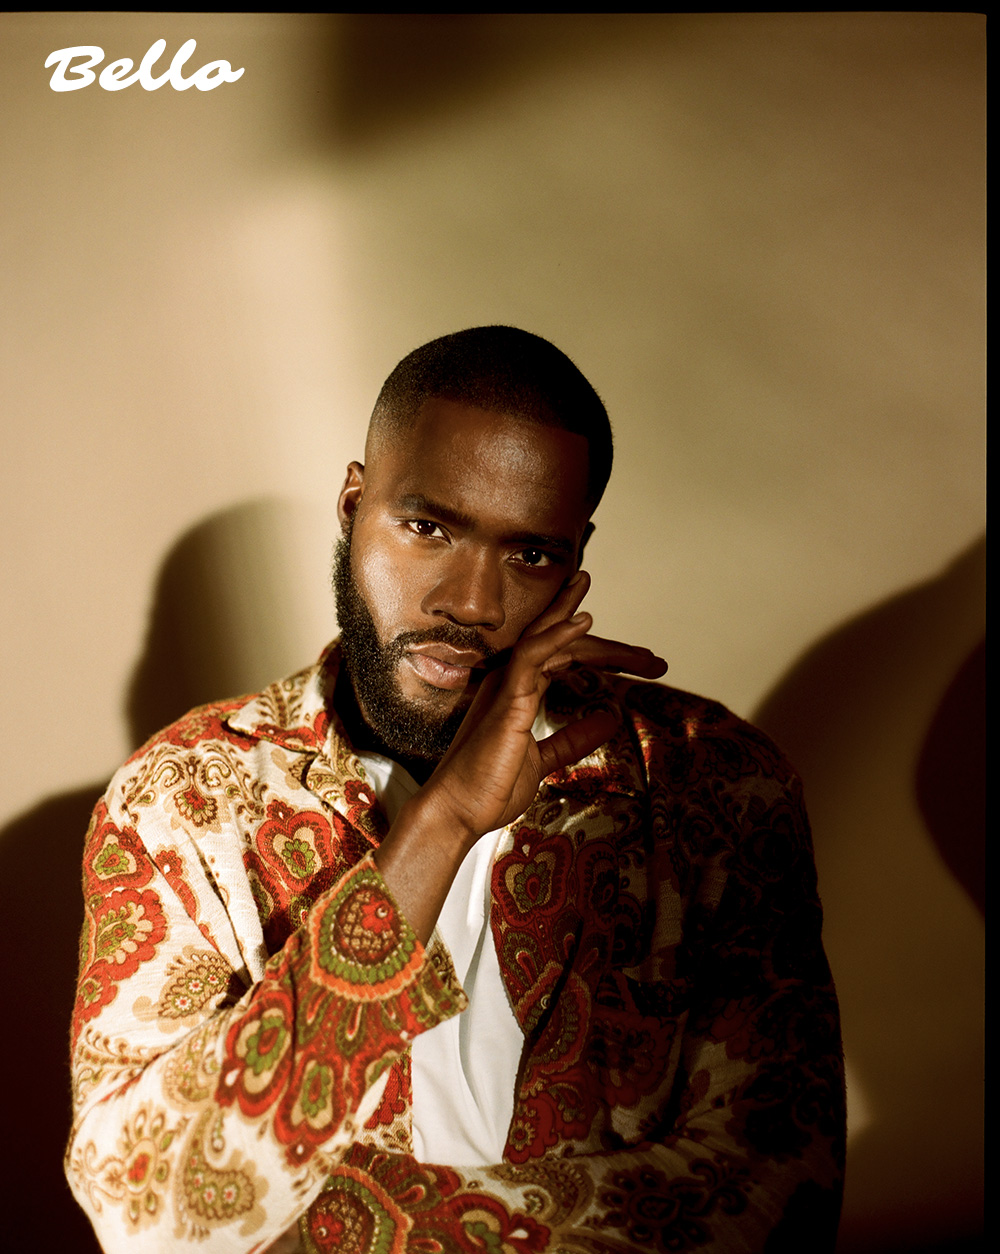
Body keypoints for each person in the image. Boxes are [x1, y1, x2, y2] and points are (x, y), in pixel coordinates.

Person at [65, 327, 845, 1253]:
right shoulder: (183, 800)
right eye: (428, 528)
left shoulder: (711, 787)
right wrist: (439, 827)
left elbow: (775, 1193)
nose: (471, 603)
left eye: (530, 555)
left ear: (577, 556)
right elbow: (146, 1212)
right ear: (354, 506)